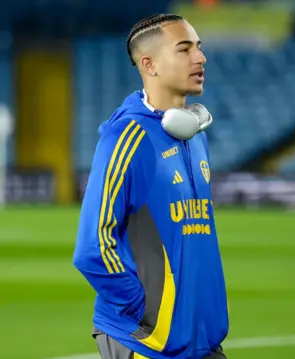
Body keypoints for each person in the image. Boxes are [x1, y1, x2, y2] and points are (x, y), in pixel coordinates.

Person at [72, 14, 229, 359]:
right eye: (184, 49)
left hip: (203, 343)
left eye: (199, 48)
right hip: (148, 343)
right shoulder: (127, 137)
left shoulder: (194, 135)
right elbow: (93, 247)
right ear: (149, 64)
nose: (200, 58)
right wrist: (147, 313)